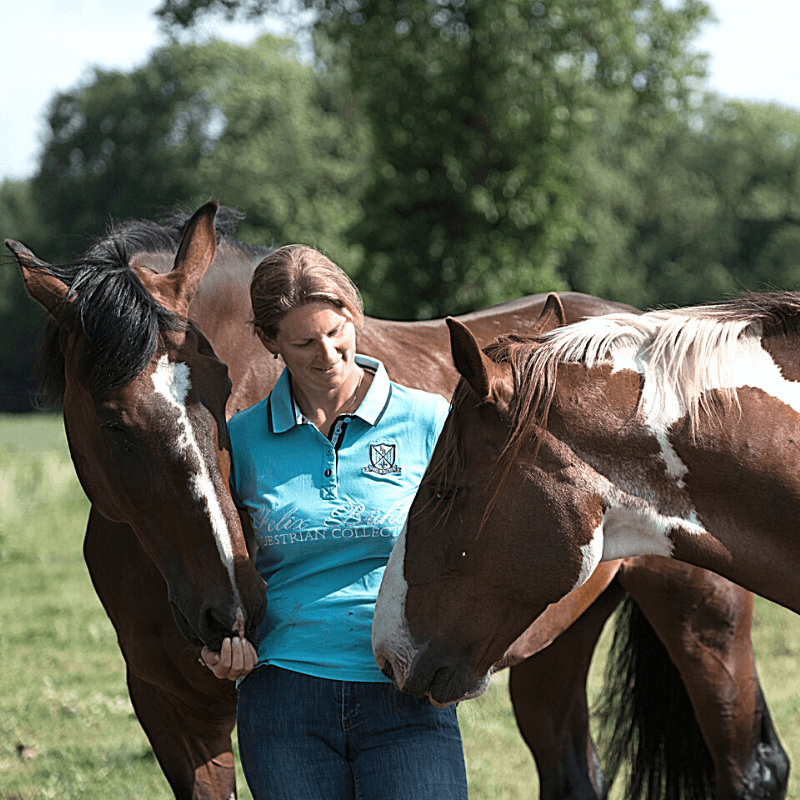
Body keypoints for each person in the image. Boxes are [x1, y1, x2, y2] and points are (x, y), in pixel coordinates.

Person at [199, 244, 468, 800]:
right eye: (302, 342)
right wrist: (218, 643)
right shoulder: (242, 439)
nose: (327, 353)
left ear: (354, 317)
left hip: (404, 689)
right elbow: (214, 558)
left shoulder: (427, 419)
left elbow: (466, 551)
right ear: (271, 344)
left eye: (335, 330)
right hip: (284, 699)